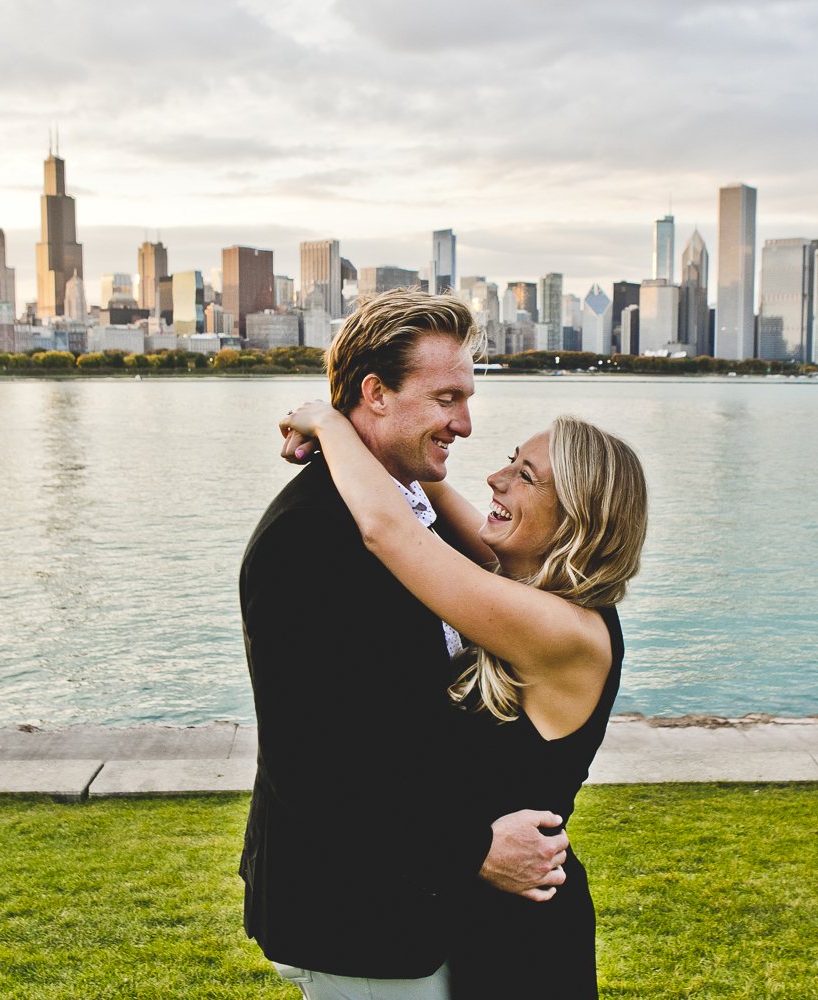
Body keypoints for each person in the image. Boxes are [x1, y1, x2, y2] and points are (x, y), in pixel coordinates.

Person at [239, 290, 572, 1000]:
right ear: (376, 393)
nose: (465, 424)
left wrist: (329, 424)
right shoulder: (308, 538)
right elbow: (311, 765)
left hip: (424, 903)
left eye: (467, 398)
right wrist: (475, 852)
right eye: (447, 398)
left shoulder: (415, 513)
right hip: (356, 916)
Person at [278, 398, 648, 998]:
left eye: (526, 476)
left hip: (525, 936)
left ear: (577, 519)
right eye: (510, 460)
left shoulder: (565, 632)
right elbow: (427, 490)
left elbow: (390, 531)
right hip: (481, 908)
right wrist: (377, 435)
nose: (496, 479)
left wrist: (328, 422)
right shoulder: (520, 586)